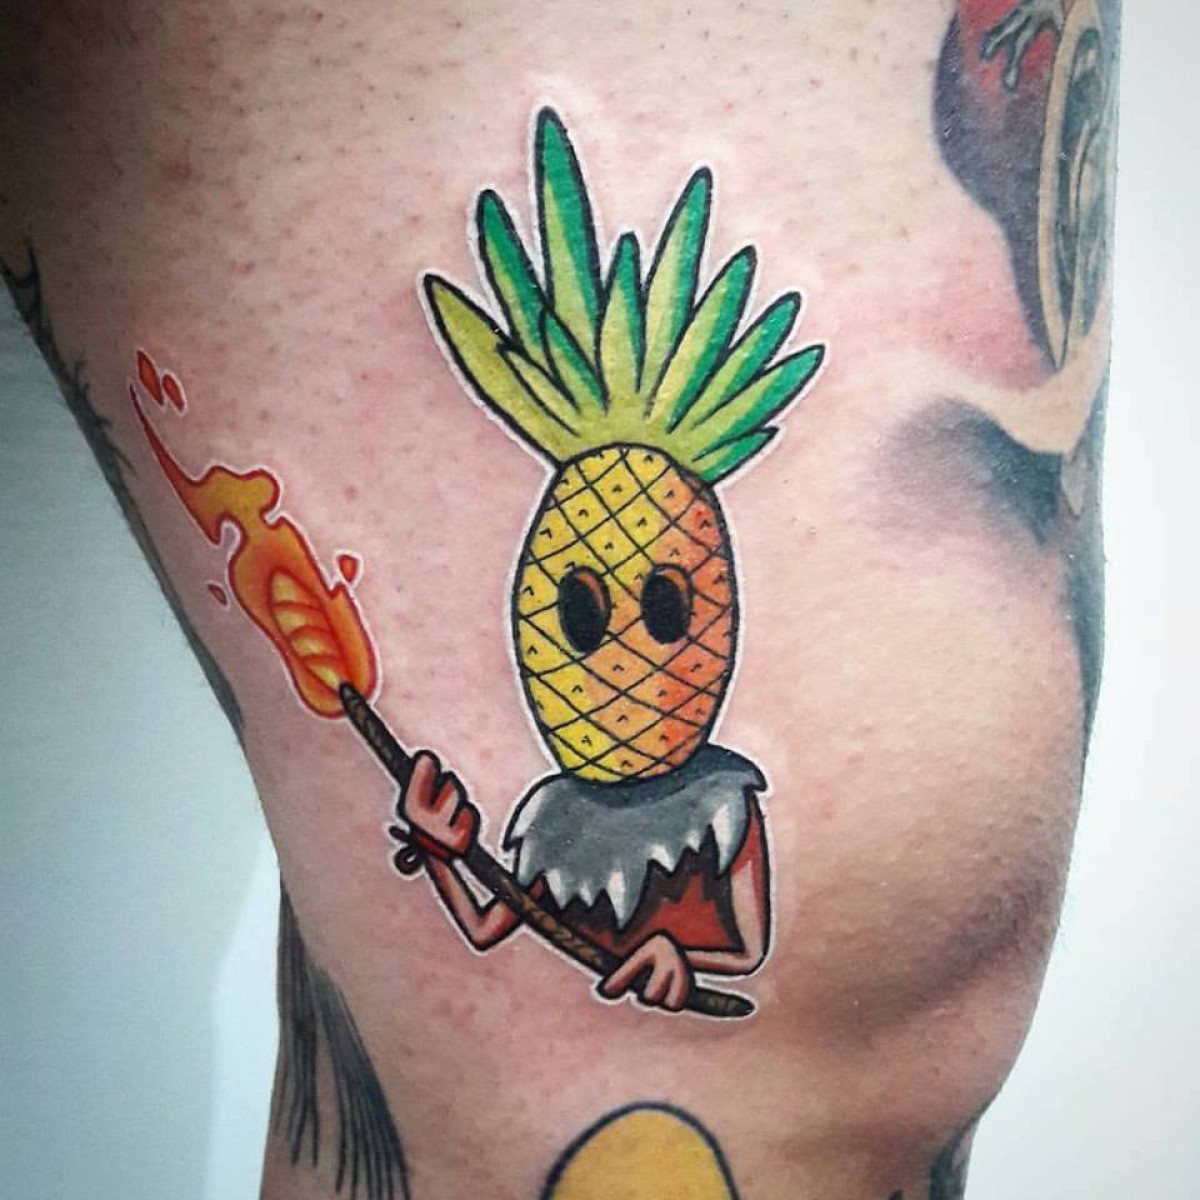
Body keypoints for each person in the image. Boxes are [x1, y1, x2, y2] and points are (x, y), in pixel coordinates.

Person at [0, 2, 1119, 1196]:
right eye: (580, 618)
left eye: (667, 612)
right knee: (613, 1062)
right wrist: (450, 856)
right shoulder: (552, 822)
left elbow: (731, 943)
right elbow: (499, 929)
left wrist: (669, 965)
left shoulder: (722, 809)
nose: (624, 656)